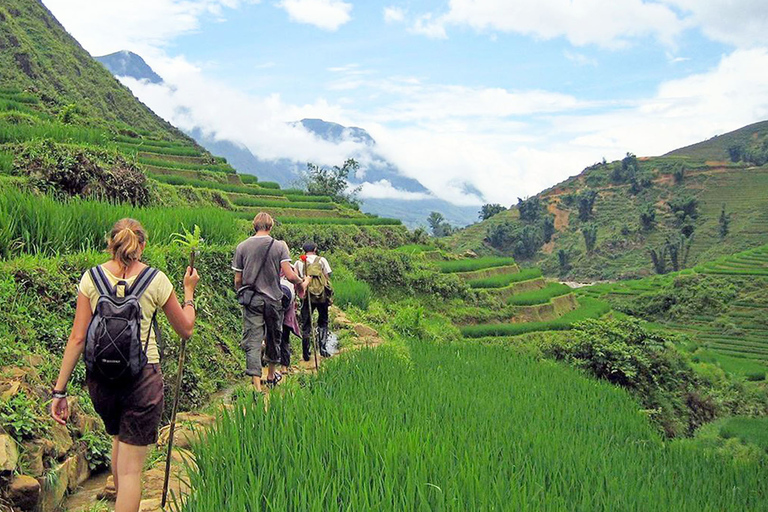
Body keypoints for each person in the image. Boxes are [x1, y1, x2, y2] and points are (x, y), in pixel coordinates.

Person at [50, 218, 199, 512]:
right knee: (132, 473)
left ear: (111, 244)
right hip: (142, 379)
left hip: (101, 380)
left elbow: (78, 337)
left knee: (118, 438)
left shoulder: (91, 278)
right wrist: (189, 293)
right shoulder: (156, 280)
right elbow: (186, 329)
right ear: (141, 245)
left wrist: (59, 391)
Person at [233, 212, 308, 392]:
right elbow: (289, 275)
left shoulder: (242, 247)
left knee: (254, 340)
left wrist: (242, 292)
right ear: (270, 226)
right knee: (274, 336)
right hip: (274, 299)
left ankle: (257, 387)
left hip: (252, 300)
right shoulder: (280, 246)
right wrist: (302, 283)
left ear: (254, 226)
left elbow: (238, 280)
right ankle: (271, 375)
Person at [295, 242, 333, 360]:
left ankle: (306, 354)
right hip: (321, 296)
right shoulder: (322, 260)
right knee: (323, 321)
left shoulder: (298, 262)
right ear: (315, 249)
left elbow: (297, 281)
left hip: (306, 296)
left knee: (306, 324)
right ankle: (322, 348)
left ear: (303, 250)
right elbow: (327, 277)